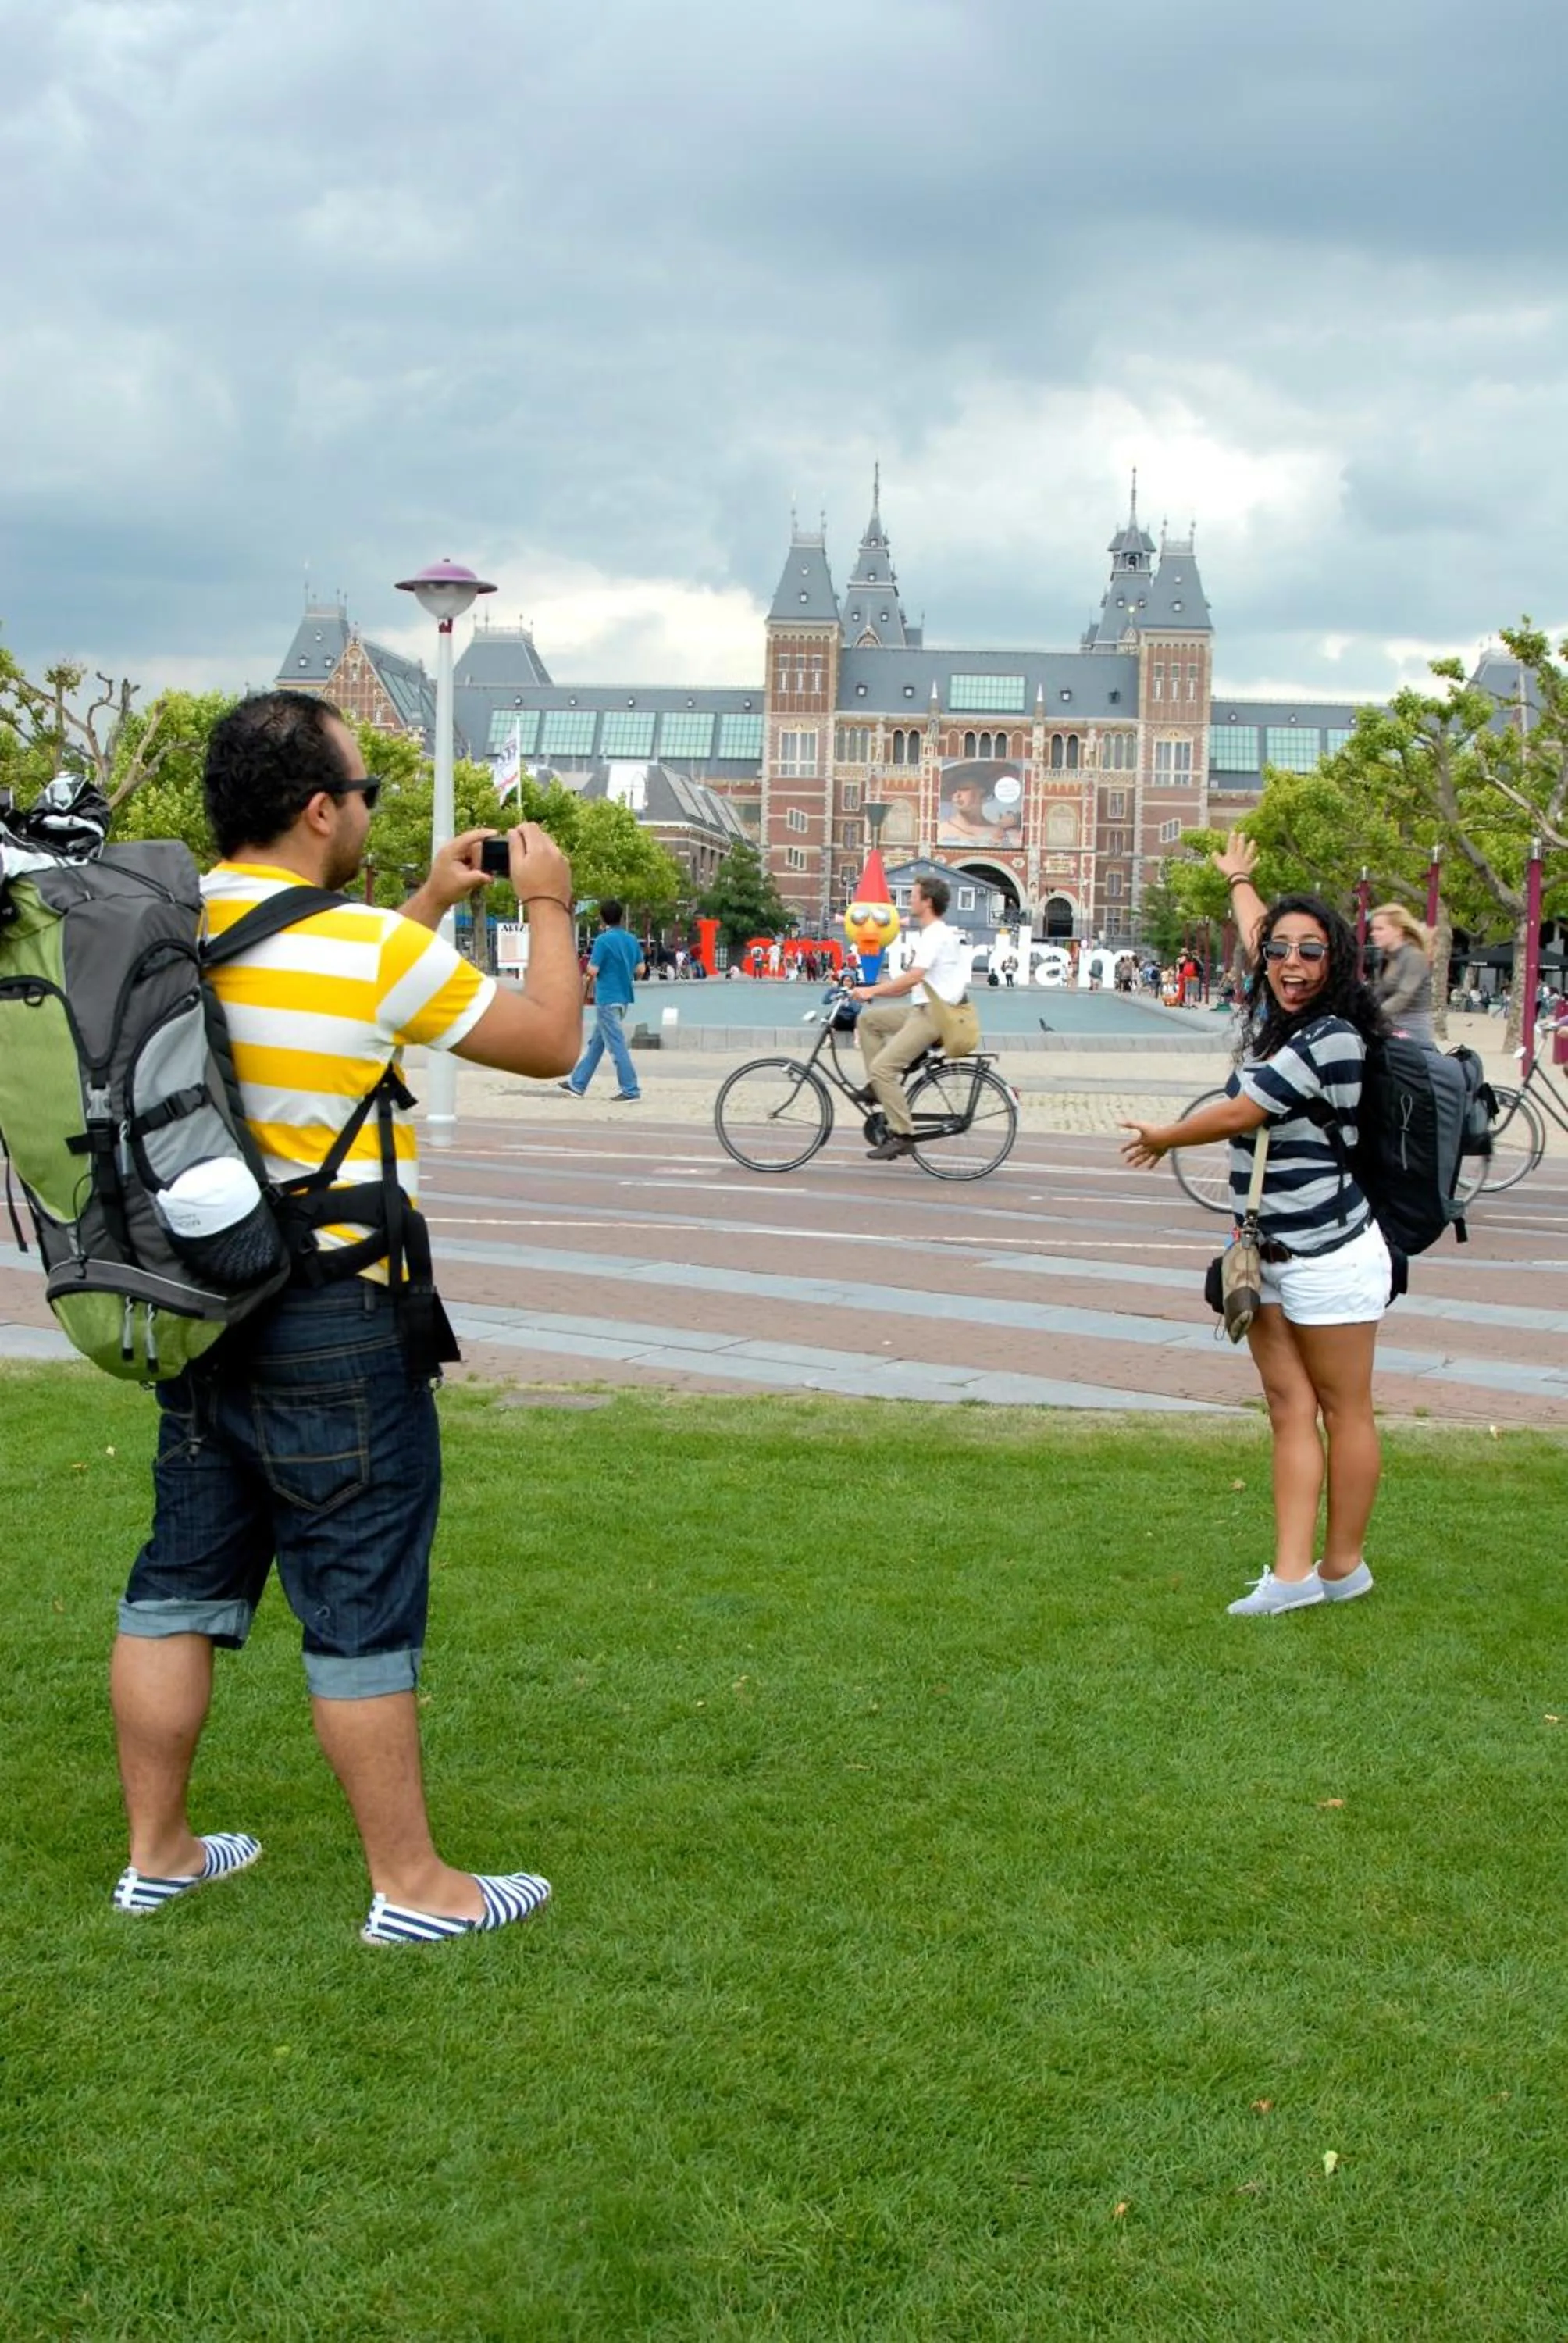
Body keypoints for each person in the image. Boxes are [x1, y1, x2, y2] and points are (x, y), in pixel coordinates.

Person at [111, 692, 581, 1942]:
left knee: (179, 1580)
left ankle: (158, 1854)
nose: (370, 805)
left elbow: (315, 1014)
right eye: (366, 790)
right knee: (359, 1593)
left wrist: (424, 904)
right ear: (321, 809)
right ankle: (414, 1889)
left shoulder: (166, 928)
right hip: (335, 1316)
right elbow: (548, 1039)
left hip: (201, 1302)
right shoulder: (369, 953)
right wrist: (548, 901)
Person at [1120, 831, 1392, 1618]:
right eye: (1279, 952)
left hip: (1332, 1253)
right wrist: (1241, 880)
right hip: (1265, 1253)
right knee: (1286, 1410)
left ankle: (1342, 1567)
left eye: (1311, 952)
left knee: (1346, 1411)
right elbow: (1257, 932)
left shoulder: (1333, 1036)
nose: (1291, 964)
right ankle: (1291, 1576)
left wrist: (1165, 1136)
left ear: (1337, 962)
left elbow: (1243, 1111)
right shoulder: (1282, 1003)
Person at [850, 875, 971, 1162]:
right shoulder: (933, 933)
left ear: (927, 902)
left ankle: (902, 1135)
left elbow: (914, 977)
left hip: (934, 1015)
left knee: (883, 1068)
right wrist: (873, 994)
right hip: (923, 1009)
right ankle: (878, 1089)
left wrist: (872, 989)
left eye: (914, 895)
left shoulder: (935, 935)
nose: (909, 900)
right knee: (868, 1021)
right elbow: (911, 985)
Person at [557, 897, 647, 1102]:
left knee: (616, 1046)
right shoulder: (632, 940)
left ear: (602, 918)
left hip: (607, 997)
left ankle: (630, 1089)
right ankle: (577, 1084)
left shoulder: (603, 941)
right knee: (597, 1043)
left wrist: (588, 972)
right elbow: (641, 970)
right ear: (621, 917)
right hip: (623, 998)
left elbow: (593, 970)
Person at [1369, 903, 1435, 1046]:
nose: (1373, 934)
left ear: (1398, 931)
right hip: (1389, 1023)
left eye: (1380, 929)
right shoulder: (1384, 957)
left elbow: (1403, 995)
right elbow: (1378, 993)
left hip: (1412, 1027)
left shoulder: (1414, 957)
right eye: (1373, 929)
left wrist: (1372, 1015)